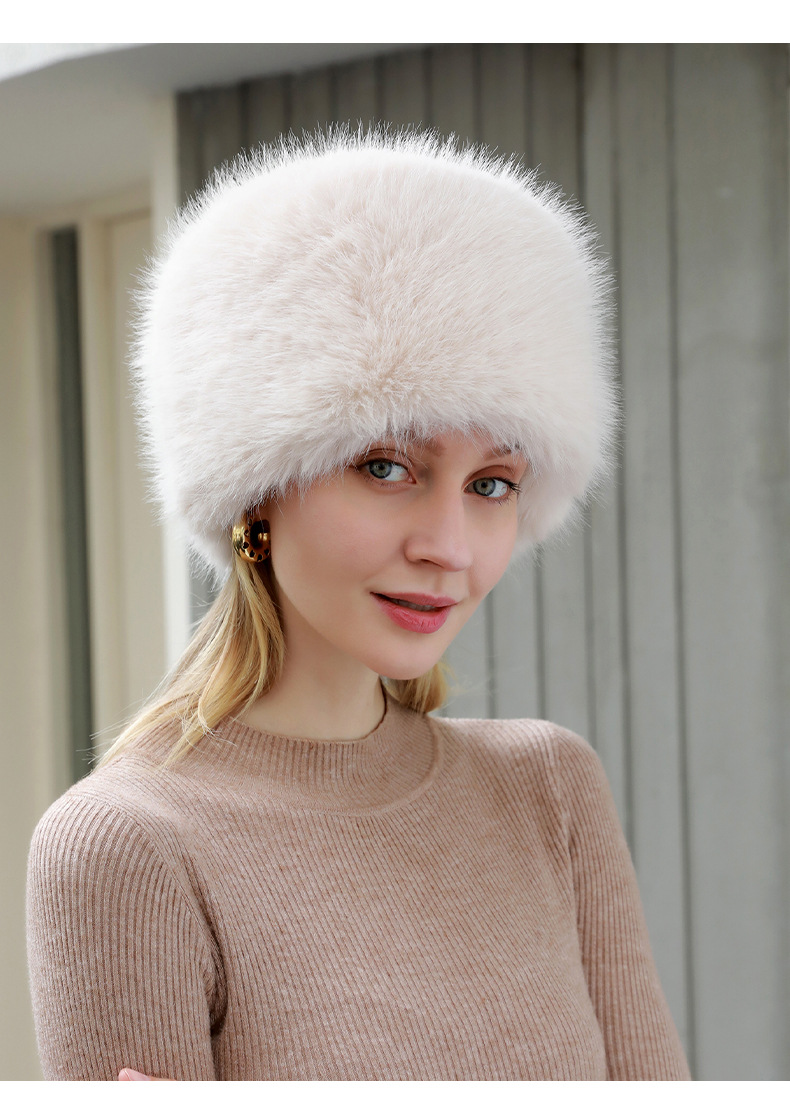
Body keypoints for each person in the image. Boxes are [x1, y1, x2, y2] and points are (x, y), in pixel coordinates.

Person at [26, 126, 690, 1081]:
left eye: (493, 484)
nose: (449, 546)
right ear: (256, 487)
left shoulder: (547, 789)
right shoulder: (128, 847)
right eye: (386, 467)